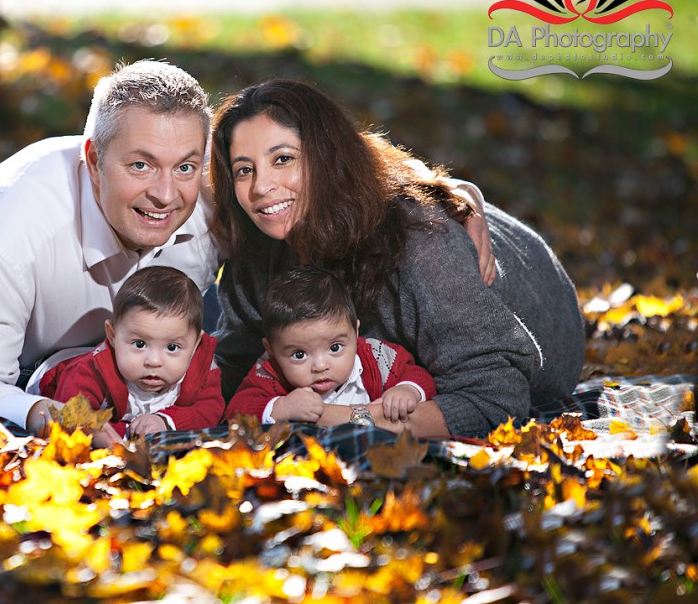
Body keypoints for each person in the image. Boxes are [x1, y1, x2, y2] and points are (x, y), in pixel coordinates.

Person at [0, 60, 221, 434]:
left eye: (185, 168)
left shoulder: (213, 201)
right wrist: (56, 419)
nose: (165, 195)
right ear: (94, 161)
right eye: (141, 165)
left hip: (97, 350)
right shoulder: (7, 233)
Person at [209, 79, 585, 438]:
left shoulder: (422, 245)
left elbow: (494, 396)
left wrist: (343, 418)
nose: (260, 187)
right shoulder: (259, 238)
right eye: (244, 170)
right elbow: (232, 370)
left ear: (326, 159)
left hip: (538, 319)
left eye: (283, 159)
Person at [226, 266, 435, 425]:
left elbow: (420, 376)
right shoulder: (271, 372)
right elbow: (236, 410)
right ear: (271, 350)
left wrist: (407, 390)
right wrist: (281, 407)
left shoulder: (376, 357)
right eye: (299, 354)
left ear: (355, 331)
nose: (320, 366)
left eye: (335, 348)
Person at [36, 266, 224, 437]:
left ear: (195, 344)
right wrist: (129, 432)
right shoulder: (92, 372)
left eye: (172, 347)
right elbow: (71, 417)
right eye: (140, 344)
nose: (154, 361)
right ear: (112, 335)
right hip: (54, 381)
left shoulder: (201, 368)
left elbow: (211, 409)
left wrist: (165, 421)